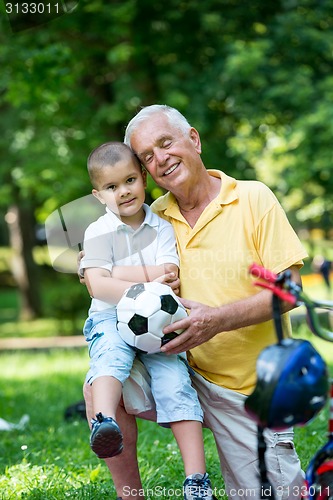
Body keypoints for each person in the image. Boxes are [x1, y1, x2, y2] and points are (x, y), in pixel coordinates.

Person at [82, 105, 308, 500]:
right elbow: (102, 257)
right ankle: (129, 494)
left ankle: (203, 480)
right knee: (102, 382)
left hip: (243, 390)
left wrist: (217, 320)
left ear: (195, 139)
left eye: (166, 143)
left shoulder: (253, 198)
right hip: (172, 363)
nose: (161, 159)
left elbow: (290, 289)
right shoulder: (152, 216)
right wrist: (90, 267)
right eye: (148, 157)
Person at [80, 141, 215, 499]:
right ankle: (104, 422)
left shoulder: (161, 227)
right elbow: (97, 286)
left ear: (143, 178)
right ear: (98, 195)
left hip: (158, 322)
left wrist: (118, 273)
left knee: (176, 382)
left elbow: (171, 275)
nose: (123, 192)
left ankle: (196, 480)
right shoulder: (97, 232)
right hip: (110, 319)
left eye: (129, 180)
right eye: (111, 187)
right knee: (110, 358)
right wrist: (146, 278)